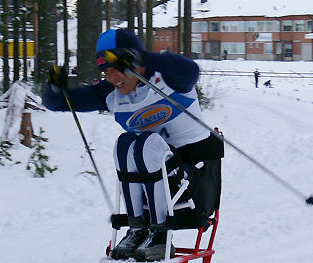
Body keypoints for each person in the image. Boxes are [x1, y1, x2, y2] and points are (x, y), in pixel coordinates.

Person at [44, 29, 223, 262]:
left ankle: (161, 234)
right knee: (125, 143)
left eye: (117, 68)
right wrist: (55, 87)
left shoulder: (169, 78)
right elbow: (58, 103)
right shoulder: (111, 94)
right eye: (106, 71)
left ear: (134, 61)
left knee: (147, 142)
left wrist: (145, 58)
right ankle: (138, 229)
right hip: (153, 182)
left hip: (194, 182)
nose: (111, 77)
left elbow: (191, 70)